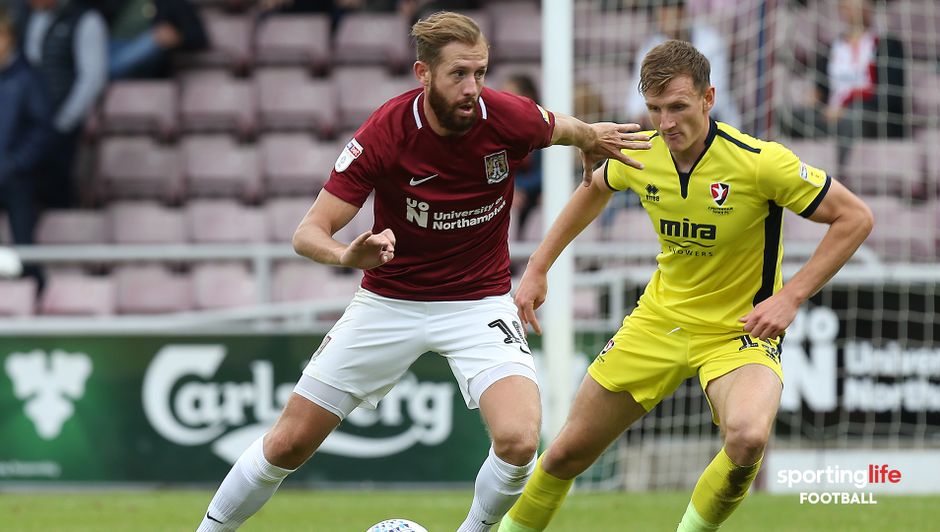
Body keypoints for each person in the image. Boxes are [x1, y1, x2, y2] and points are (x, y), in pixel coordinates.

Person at [196, 11, 651, 532]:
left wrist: (590, 136)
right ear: (423, 73)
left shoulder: (505, 116)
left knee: (521, 441)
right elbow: (308, 232)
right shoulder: (386, 133)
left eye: (480, 72)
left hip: (477, 302)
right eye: (459, 74)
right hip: (389, 301)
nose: (473, 87)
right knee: (288, 443)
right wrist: (348, 256)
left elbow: (560, 126)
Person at [499, 39, 873, 532]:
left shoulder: (760, 162)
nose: (666, 122)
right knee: (566, 453)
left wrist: (790, 295)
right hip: (657, 324)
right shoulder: (641, 152)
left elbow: (855, 218)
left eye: (677, 107)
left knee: (747, 437)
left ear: (708, 98)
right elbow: (595, 187)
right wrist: (539, 266)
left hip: (737, 332)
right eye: (655, 109)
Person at [778, 0, 905, 164]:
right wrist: (815, 98)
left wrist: (846, 108)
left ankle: (838, 173)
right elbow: (821, 89)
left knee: (852, 119)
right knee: (786, 116)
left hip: (867, 115)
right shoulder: (832, 48)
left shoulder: (887, 46)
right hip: (830, 116)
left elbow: (892, 96)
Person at [16, 0, 107, 208]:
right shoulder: (23, 18)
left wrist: (64, 121)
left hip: (61, 126)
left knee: (57, 191)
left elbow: (92, 78)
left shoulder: (85, 20)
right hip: (25, 128)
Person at [625, 0, 740, 130]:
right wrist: (644, 114)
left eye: (672, 11)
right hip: (666, 123)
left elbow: (715, 93)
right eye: (662, 12)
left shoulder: (710, 41)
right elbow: (636, 100)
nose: (666, 18)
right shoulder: (650, 46)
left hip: (714, 120)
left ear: (683, 13)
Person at [0, 4, 52, 286]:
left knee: (24, 246)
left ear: (10, 38)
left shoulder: (28, 77)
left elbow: (41, 130)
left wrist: (15, 163)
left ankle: (35, 298)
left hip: (17, 179)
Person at [103, 0, 208, 80]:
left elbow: (197, 36)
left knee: (153, 40)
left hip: (144, 54)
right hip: (107, 49)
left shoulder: (170, 2)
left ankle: (101, 75)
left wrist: (178, 37)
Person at [500, 73, 543, 241]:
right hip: (513, 196)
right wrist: (510, 188)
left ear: (528, 97)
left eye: (509, 95)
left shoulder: (543, 129)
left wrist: (517, 186)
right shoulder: (498, 129)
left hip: (535, 197)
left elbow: (548, 173)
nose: (503, 102)